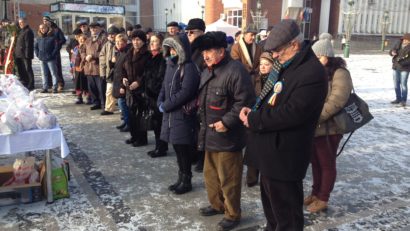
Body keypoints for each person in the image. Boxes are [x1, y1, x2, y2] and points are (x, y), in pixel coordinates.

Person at [239, 19, 328, 230]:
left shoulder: (312, 72)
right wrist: (253, 109)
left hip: (285, 155)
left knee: (287, 217)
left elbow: (292, 114)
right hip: (270, 152)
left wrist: (254, 119)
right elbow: (270, 97)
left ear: (294, 45)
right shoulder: (286, 64)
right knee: (272, 212)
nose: (275, 56)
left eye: (278, 51)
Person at [195, 31, 255, 231]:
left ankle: (232, 214)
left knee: (229, 179)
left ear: (221, 51)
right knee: (210, 176)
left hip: (228, 136)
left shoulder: (236, 70)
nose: (205, 55)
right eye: (204, 51)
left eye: (209, 51)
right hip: (209, 134)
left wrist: (227, 122)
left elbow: (245, 101)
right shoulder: (207, 70)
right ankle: (217, 204)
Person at [303, 34, 353, 213]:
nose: (317, 60)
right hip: (315, 128)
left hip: (330, 127)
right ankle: (315, 193)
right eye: (314, 56)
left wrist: (314, 117)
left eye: (320, 57)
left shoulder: (340, 73)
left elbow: (337, 100)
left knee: (326, 164)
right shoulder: (317, 71)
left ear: (329, 56)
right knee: (315, 162)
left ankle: (323, 197)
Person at [158, 33, 200, 194]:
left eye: (174, 49)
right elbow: (164, 86)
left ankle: (186, 179)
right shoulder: (170, 64)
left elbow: (186, 92)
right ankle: (180, 177)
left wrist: (166, 105)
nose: (171, 52)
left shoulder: (188, 67)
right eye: (170, 49)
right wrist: (160, 101)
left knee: (183, 149)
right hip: (170, 115)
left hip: (182, 114)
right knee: (176, 147)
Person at [230, 26, 262, 187]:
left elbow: (262, 60)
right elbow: (235, 63)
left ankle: (253, 174)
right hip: (243, 84)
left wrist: (257, 70)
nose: (253, 37)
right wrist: (249, 70)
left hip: (256, 85)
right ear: (244, 34)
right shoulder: (236, 47)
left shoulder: (258, 47)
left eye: (254, 35)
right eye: (251, 35)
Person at [244, 51, 275, 188]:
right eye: (261, 64)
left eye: (266, 64)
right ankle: (251, 177)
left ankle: (265, 176)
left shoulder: (275, 81)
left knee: (265, 149)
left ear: (273, 66)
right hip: (254, 116)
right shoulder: (254, 78)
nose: (262, 67)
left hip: (267, 118)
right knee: (252, 148)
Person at [123, 30, 150, 147]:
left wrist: (139, 82)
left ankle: (142, 138)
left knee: (140, 115)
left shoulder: (147, 55)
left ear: (143, 41)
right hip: (130, 89)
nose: (135, 42)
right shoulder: (129, 52)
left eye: (138, 39)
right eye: (134, 39)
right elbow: (123, 68)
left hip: (141, 89)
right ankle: (134, 136)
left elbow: (147, 72)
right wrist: (123, 78)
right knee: (131, 115)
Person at [185, 17, 206, 172]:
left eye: (192, 32)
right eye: (187, 32)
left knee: (202, 128)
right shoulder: (188, 48)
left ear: (201, 32)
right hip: (190, 93)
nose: (189, 34)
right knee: (192, 127)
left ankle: (202, 158)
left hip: (202, 93)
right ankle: (193, 154)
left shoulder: (205, 48)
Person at [144, 33, 168, 158]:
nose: (152, 43)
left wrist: (152, 90)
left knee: (159, 123)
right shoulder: (150, 57)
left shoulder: (162, 58)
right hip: (150, 95)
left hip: (158, 95)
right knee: (155, 123)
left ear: (161, 44)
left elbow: (160, 78)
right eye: (151, 41)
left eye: (155, 41)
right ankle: (158, 146)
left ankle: (161, 148)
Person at [81, 22, 107, 111]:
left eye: (95, 28)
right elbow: (82, 50)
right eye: (91, 28)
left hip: (98, 67)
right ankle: (96, 102)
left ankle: (104, 105)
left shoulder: (103, 39)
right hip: (89, 67)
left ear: (99, 28)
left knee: (101, 88)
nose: (93, 30)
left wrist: (92, 56)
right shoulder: (88, 39)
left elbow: (104, 52)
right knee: (92, 87)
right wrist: (85, 57)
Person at [111, 34, 131, 132]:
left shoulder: (127, 53)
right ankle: (125, 122)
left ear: (125, 42)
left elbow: (127, 71)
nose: (118, 44)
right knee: (121, 104)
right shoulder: (119, 52)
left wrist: (123, 86)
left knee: (123, 104)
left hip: (123, 84)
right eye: (116, 42)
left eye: (120, 42)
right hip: (117, 82)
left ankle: (128, 123)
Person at [99, 26, 121, 115]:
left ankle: (123, 109)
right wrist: (103, 72)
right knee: (109, 91)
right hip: (110, 72)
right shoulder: (106, 45)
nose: (111, 36)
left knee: (120, 92)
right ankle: (109, 108)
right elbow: (102, 59)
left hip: (120, 72)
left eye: (113, 34)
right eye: (110, 34)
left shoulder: (121, 43)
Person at [43, 16, 66, 92]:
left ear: (50, 21)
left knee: (57, 68)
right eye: (44, 21)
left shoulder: (56, 29)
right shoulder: (44, 29)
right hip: (47, 53)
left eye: (46, 20)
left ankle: (60, 83)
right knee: (48, 69)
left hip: (55, 52)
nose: (45, 22)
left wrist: (56, 45)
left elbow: (63, 40)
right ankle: (50, 83)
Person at [34, 23, 59, 93]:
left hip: (50, 59)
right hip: (42, 58)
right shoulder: (38, 38)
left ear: (47, 28)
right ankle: (45, 87)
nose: (42, 29)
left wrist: (52, 55)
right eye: (41, 28)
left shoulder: (52, 37)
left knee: (53, 73)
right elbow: (35, 47)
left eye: (44, 28)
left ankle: (55, 87)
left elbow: (56, 47)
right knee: (44, 74)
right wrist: (38, 55)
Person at [389, 33, 410, 107]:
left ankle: (403, 100)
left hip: (405, 68)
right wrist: (392, 53)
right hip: (396, 67)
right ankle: (398, 98)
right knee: (396, 84)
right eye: (404, 39)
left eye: (407, 40)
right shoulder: (398, 44)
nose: (405, 41)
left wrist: (401, 62)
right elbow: (391, 51)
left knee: (403, 84)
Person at [14, 18, 35, 90]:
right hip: (19, 54)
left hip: (25, 55)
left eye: (22, 22)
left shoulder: (28, 31)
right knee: (21, 70)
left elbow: (28, 44)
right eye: (19, 23)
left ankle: (31, 84)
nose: (20, 24)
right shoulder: (21, 31)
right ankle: (24, 82)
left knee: (28, 69)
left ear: (25, 22)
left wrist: (27, 55)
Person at [71, 31, 89, 104]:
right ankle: (79, 97)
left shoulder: (87, 48)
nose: (82, 40)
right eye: (80, 39)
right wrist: (72, 68)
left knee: (86, 84)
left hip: (85, 69)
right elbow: (73, 59)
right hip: (77, 69)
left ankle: (88, 98)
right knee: (77, 84)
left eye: (83, 39)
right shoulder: (76, 48)